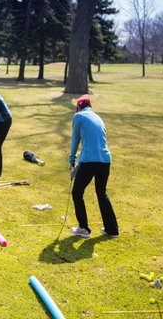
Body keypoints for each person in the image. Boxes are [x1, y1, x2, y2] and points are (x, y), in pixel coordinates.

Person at [68, 96, 119, 238]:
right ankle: (112, 230)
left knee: (77, 192)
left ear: (78, 107)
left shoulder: (78, 116)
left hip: (90, 160)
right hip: (105, 160)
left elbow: (75, 139)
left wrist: (72, 158)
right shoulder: (98, 117)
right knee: (101, 193)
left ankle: (83, 228)